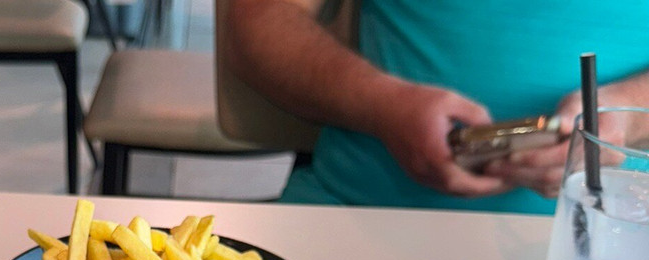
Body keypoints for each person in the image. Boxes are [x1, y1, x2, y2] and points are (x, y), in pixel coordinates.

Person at [225, 0, 649, 213]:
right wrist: (384, 106)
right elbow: (260, 19)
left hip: (620, 228)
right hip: (359, 208)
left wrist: (627, 116)